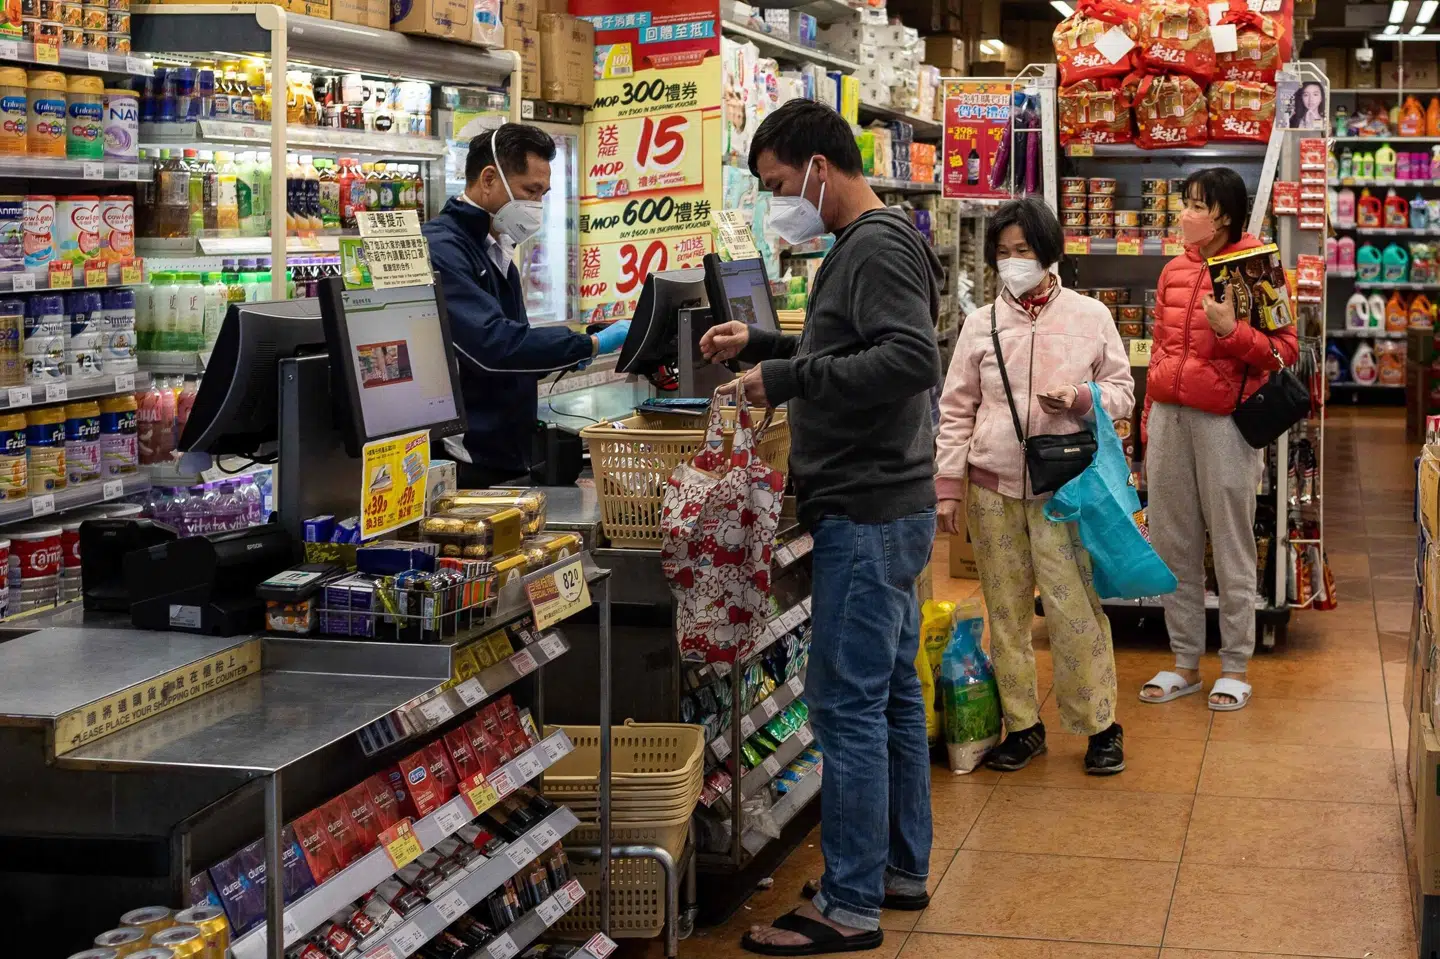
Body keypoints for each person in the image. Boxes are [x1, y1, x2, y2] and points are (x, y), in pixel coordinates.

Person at [698, 98, 942, 957]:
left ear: (818, 169)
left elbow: (911, 358)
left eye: (775, 184)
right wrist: (768, 345)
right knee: (892, 696)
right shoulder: (866, 244)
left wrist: (782, 381)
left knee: (846, 703)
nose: (775, 200)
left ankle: (848, 903)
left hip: (870, 507)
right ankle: (897, 869)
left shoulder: (872, 245)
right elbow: (853, 345)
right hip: (890, 501)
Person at [933, 197, 1133, 776]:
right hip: (993, 489)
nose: (1013, 262)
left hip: (1063, 489)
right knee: (1007, 612)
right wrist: (949, 487)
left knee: (1074, 609)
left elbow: (1122, 392)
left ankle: (1100, 725)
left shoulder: (1089, 316)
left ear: (1049, 253)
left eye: (1023, 251)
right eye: (1003, 253)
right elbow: (956, 410)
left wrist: (1079, 399)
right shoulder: (980, 324)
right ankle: (1023, 726)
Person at [1139, 168, 1298, 711]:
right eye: (1185, 203)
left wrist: (1233, 333)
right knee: (1172, 543)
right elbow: (1160, 348)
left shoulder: (1258, 268)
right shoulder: (1172, 271)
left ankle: (1235, 665)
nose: (1185, 213)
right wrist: (1146, 425)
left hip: (1224, 424)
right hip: (1168, 418)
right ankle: (1185, 661)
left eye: (1196, 205)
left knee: (1230, 545)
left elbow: (1285, 352)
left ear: (1224, 216)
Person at [423, 123, 630, 486]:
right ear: (488, 179)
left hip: (506, 450)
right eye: (529, 191)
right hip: (466, 458)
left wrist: (564, 353)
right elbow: (493, 346)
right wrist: (590, 344)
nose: (536, 206)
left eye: (543, 194)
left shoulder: (495, 247)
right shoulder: (442, 248)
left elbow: (513, 348)